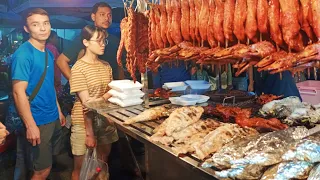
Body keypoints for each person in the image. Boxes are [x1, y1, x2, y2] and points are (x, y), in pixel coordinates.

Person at [11, 8, 65, 180]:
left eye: (46, 23)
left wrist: (58, 110)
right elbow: (18, 92)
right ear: (27, 29)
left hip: (51, 117)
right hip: (37, 119)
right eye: (36, 24)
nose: (42, 28)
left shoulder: (48, 52)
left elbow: (48, 86)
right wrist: (30, 125)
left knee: (45, 164)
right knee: (42, 170)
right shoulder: (23, 54)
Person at [69, 25, 118, 180]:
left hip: (104, 121)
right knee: (82, 171)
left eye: (104, 41)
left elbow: (112, 91)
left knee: (101, 166)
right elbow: (86, 103)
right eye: (98, 41)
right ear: (86, 42)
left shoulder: (106, 66)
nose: (103, 44)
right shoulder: (78, 68)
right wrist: (89, 134)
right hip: (83, 125)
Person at [56, 2, 124, 81]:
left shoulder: (115, 40)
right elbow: (61, 61)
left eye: (109, 15)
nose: (106, 18)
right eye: (102, 14)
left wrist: (121, 84)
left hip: (112, 89)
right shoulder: (86, 38)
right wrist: (75, 84)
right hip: (90, 90)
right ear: (93, 17)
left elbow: (119, 65)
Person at [46, 30, 62, 97]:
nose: (57, 39)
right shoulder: (51, 48)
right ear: (50, 38)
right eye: (56, 38)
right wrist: (56, 79)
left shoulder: (46, 47)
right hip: (53, 80)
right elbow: (50, 65)